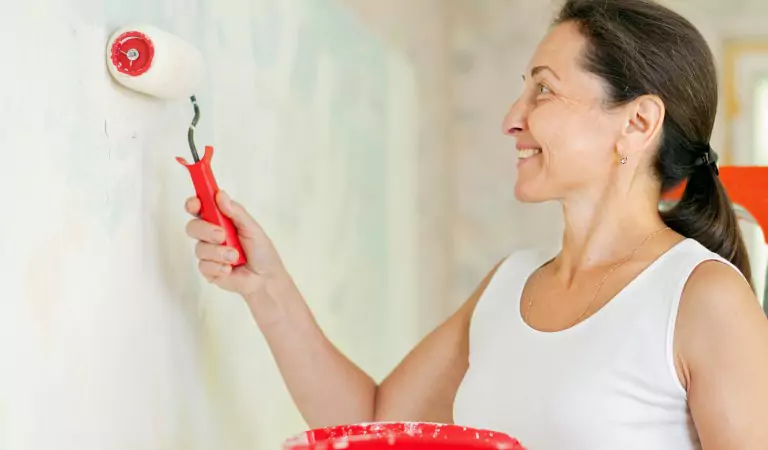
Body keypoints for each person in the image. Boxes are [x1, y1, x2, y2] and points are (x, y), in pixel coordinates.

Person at [183, 0, 768, 448]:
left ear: (638, 123)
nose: (512, 119)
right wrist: (267, 287)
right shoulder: (508, 285)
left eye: (544, 89)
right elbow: (373, 425)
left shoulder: (702, 297)